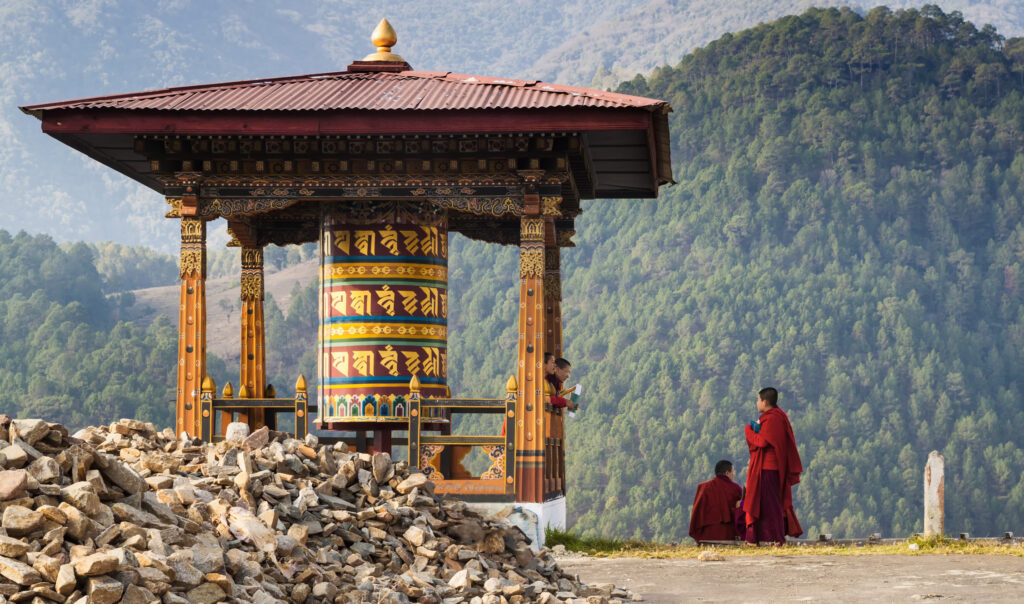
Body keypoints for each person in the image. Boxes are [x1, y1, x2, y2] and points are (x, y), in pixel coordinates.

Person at [743, 387, 803, 545]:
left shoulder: (772, 419)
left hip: (768, 468)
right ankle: (759, 537)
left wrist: (748, 431)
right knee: (764, 503)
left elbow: (762, 442)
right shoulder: (777, 416)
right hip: (769, 467)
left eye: (758, 400)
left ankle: (777, 538)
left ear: (765, 401)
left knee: (770, 504)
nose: (757, 403)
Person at [689, 460, 743, 543]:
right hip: (728, 536)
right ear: (727, 473)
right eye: (733, 471)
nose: (734, 474)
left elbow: (697, 512)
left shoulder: (703, 487)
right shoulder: (735, 488)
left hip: (705, 537)